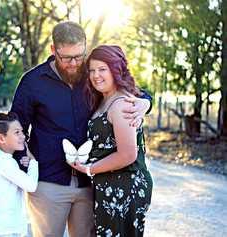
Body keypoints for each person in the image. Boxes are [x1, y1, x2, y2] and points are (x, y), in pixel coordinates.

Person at [10, 21, 152, 237]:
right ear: (53, 50)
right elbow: (15, 127)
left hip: (90, 185)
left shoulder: (94, 73)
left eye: (79, 55)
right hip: (49, 184)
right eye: (67, 58)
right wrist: (26, 161)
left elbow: (129, 92)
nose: (75, 63)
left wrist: (147, 103)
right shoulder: (32, 82)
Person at [69, 45, 153, 237]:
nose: (96, 75)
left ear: (116, 70)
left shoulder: (121, 104)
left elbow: (128, 155)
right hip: (108, 184)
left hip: (125, 184)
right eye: (92, 70)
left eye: (102, 69)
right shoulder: (104, 99)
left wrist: (89, 169)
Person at [0, 112, 38, 237]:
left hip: (6, 228)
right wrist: (33, 161)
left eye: (22, 132)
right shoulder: (4, 162)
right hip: (5, 229)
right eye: (16, 132)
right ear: (1, 138)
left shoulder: (3, 160)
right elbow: (31, 185)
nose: (23, 136)